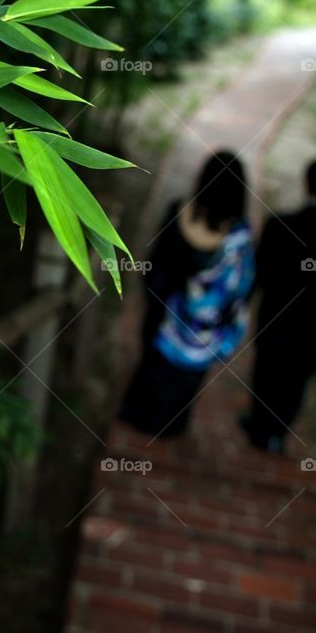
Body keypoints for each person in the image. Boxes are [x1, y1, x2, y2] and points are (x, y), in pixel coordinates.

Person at [119, 150, 255, 439]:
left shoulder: (178, 212)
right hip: (205, 330)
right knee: (187, 378)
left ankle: (139, 418)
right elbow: (242, 287)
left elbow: (153, 266)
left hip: (163, 312)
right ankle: (169, 427)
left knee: (152, 366)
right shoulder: (240, 237)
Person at [240, 157, 316, 453]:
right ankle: (276, 433)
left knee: (267, 370)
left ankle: (259, 424)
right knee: (296, 380)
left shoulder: (280, 225)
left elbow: (259, 272)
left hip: (277, 317)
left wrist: (243, 304)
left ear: (305, 182)